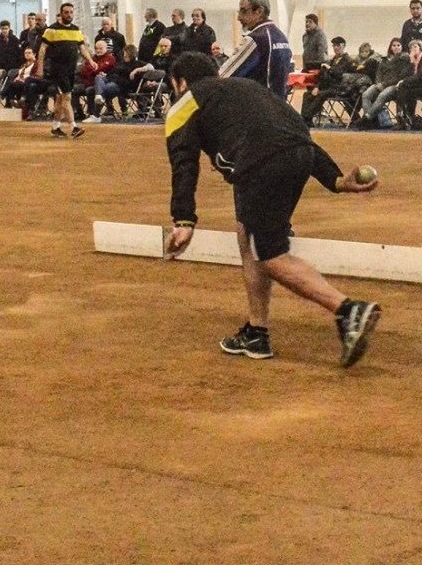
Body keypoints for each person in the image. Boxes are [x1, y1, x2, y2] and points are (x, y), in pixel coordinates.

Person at [161, 51, 380, 366]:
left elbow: (183, 163)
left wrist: (184, 219)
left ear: (179, 82)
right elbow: (293, 136)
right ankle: (256, 330)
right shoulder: (247, 89)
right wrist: (333, 178)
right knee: (246, 235)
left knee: (269, 254)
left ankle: (348, 310)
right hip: (298, 155)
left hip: (259, 163)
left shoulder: (185, 102)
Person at [222, 0, 291, 95]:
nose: (239, 17)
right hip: (279, 105)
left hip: (259, 106)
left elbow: (224, 75)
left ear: (259, 11)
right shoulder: (281, 37)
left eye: (243, 11)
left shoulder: (256, 39)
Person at [40, 2, 85, 138]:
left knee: (60, 99)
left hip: (71, 69)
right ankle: (74, 127)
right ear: (61, 13)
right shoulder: (51, 30)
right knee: (67, 97)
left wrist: (91, 60)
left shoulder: (76, 30)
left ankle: (56, 127)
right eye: (66, 12)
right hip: (58, 69)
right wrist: (40, 67)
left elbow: (82, 48)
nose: (69, 15)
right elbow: (42, 49)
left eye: (71, 12)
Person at [359, 38, 410, 127]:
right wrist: (378, 83)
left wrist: (384, 84)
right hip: (381, 84)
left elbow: (399, 77)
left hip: (394, 86)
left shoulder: (404, 60)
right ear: (390, 47)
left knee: (382, 95)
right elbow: (379, 73)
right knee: (366, 94)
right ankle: (370, 122)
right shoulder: (384, 59)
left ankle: (366, 118)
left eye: (398, 45)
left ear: (402, 47)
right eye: (394, 45)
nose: (396, 47)